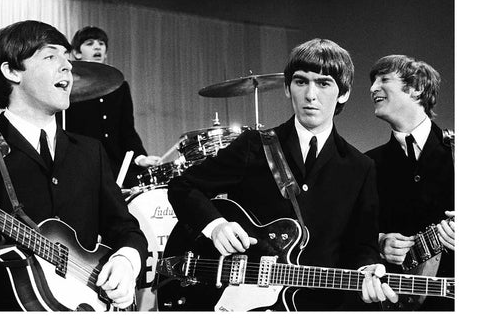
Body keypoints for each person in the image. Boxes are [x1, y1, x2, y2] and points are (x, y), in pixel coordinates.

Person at [167, 38, 397, 310]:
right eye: (301, 82)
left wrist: (368, 269)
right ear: (288, 89)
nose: (311, 95)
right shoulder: (254, 145)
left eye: (324, 83)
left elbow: (363, 246)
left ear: (343, 93)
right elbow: (182, 187)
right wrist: (216, 226)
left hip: (319, 308)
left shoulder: (361, 167)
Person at [0, 20, 148, 311]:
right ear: (11, 71)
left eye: (67, 56)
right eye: (51, 56)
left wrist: (126, 261)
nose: (68, 65)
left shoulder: (91, 152)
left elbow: (125, 227)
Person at [366, 54, 455, 311]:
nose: (373, 88)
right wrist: (380, 242)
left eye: (384, 79)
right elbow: (354, 233)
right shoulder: (367, 164)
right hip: (393, 305)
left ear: (416, 88)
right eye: (373, 81)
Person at [65, 26, 160, 188]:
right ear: (77, 53)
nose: (97, 47)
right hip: (81, 164)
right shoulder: (67, 85)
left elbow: (127, 130)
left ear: (106, 53)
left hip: (117, 165)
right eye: (89, 43)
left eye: (101, 44)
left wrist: (140, 158)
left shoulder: (120, 87)